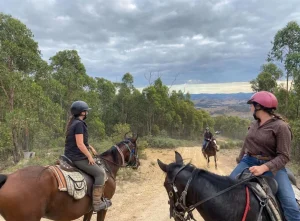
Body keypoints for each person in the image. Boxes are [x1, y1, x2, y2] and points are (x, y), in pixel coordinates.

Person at [230, 91, 300, 221]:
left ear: (259, 107)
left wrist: (264, 168)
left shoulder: (281, 127)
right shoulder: (253, 125)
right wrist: (240, 161)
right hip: (248, 161)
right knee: (226, 189)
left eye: (252, 105)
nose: (250, 107)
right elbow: (246, 145)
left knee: (291, 206)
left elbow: (284, 156)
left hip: (273, 168)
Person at [64, 101, 111, 211]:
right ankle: (97, 203)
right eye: (86, 111)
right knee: (100, 173)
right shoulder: (79, 124)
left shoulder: (73, 123)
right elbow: (80, 144)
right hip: (77, 157)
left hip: (69, 155)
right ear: (82, 112)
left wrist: (89, 146)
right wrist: (89, 156)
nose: (87, 112)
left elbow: (78, 141)